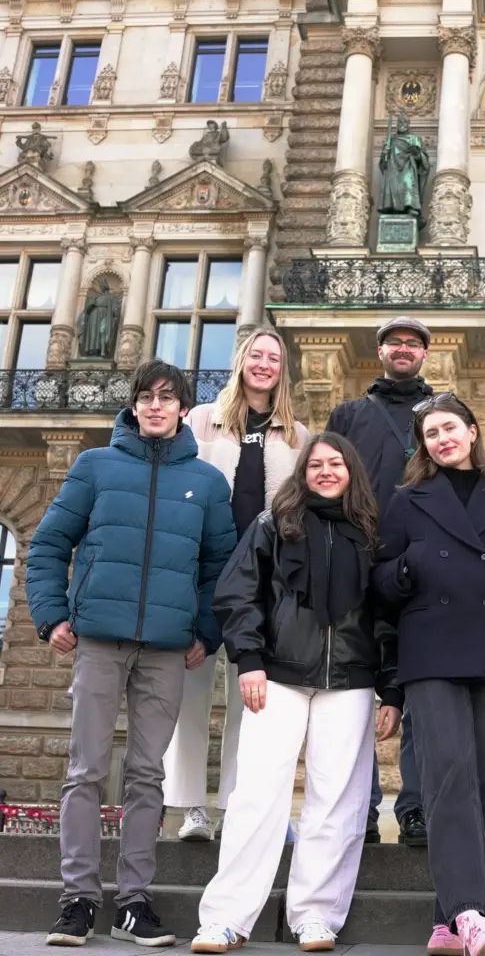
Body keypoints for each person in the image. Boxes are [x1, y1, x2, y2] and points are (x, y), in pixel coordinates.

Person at [25, 360, 236, 948]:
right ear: (135, 405)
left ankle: (135, 902)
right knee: (86, 770)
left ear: (184, 409)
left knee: (147, 775)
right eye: (146, 397)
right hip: (97, 639)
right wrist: (51, 616)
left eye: (168, 398)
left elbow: (221, 569)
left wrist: (206, 630)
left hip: (168, 650)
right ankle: (77, 900)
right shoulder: (95, 466)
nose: (155, 406)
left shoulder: (207, 483)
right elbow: (46, 547)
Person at [190, 432, 401, 955]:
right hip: (277, 678)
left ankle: (315, 916)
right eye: (316, 465)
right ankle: (226, 919)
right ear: (302, 473)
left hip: (349, 683)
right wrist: (249, 661)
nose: (326, 471)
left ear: (352, 471)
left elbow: (387, 617)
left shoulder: (372, 534)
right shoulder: (273, 526)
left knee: (337, 804)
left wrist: (390, 687)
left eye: (336, 464)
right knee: (257, 798)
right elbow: (238, 594)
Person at [373, 394, 485, 956]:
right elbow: (379, 585)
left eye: (451, 428)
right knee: (448, 779)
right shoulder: (405, 502)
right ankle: (471, 911)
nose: (442, 439)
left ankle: (453, 924)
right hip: (432, 652)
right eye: (431, 433)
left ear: (473, 432)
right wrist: (407, 568)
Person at [164, 327, 309, 842]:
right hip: (206, 569)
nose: (264, 364)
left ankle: (233, 804)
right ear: (242, 361)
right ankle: (189, 807)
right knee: (191, 688)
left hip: (263, 577)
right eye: (256, 354)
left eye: (273, 357)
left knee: (251, 694)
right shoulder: (204, 419)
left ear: (281, 368)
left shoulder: (299, 434)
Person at [326, 315, 433, 845]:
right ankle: (360, 808)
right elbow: (323, 479)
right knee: (353, 692)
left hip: (423, 567)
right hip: (357, 563)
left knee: (419, 687)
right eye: (396, 343)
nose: (404, 350)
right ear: (382, 352)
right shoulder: (348, 414)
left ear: (424, 355)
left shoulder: (441, 413)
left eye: (413, 344)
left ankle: (414, 806)